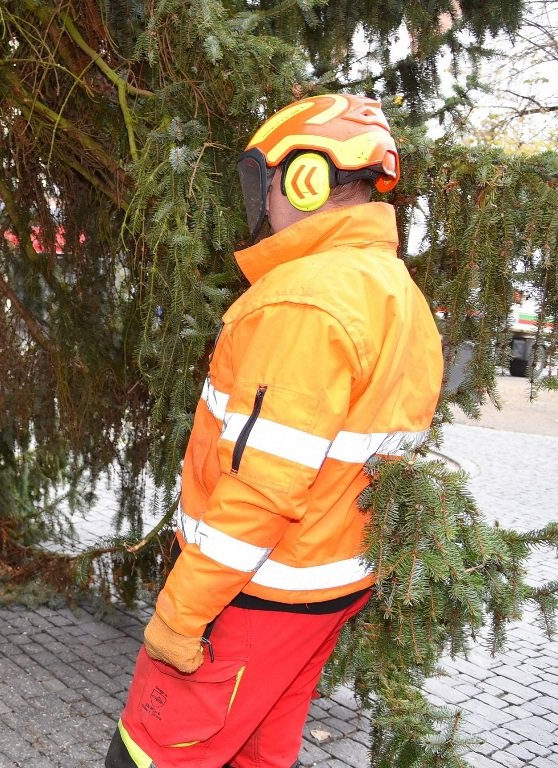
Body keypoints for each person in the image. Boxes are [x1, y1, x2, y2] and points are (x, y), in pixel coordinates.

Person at [106, 94, 444, 767]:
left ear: (307, 179)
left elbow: (262, 489)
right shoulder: (393, 292)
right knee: (260, 755)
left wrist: (181, 613)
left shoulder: (304, 300)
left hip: (254, 596)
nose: (258, 203)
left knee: (151, 757)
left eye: (263, 181)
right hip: (321, 592)